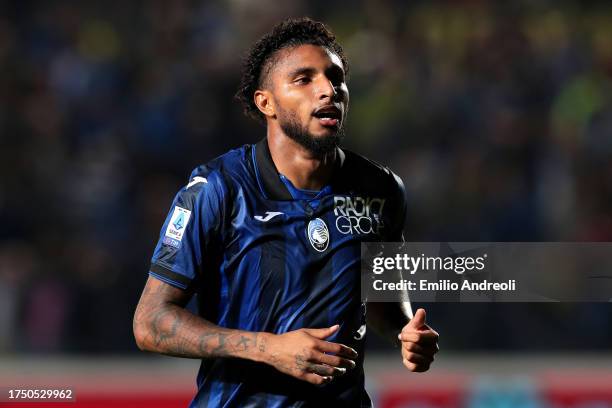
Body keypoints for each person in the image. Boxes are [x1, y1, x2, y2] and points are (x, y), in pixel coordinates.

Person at [133, 17, 439, 407]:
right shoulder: (218, 189)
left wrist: (405, 333)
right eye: (304, 79)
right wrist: (267, 348)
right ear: (266, 102)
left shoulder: (381, 189)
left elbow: (380, 298)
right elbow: (150, 323)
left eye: (335, 77)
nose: (328, 90)